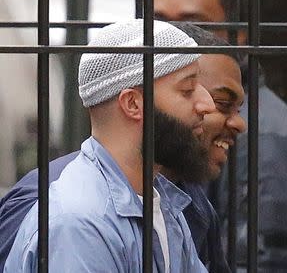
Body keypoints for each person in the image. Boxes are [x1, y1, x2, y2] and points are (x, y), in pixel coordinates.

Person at [0, 23, 246, 273]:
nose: (205, 104)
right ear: (132, 103)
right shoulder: (80, 223)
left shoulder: (164, 202)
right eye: (188, 90)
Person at [154, 0, 287, 272]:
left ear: (239, 36)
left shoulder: (266, 141)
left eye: (193, 25)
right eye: (157, 23)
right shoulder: (177, 118)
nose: (171, 38)